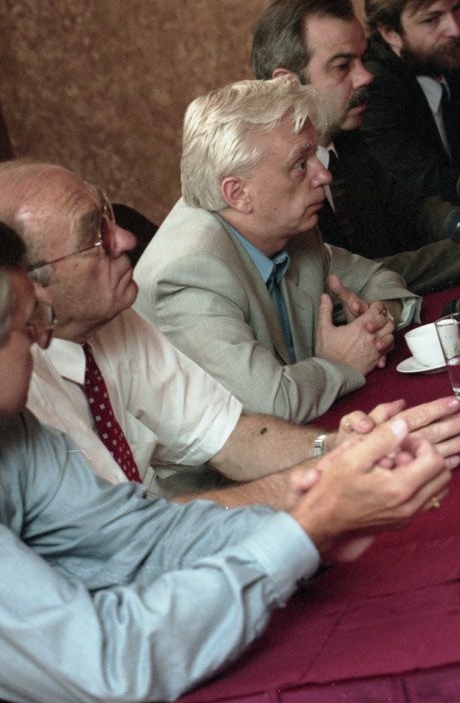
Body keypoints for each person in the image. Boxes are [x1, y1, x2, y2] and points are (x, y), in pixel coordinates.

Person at [0, 221, 453, 702]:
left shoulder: (15, 430)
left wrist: (310, 524)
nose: (42, 341)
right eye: (26, 324)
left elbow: (139, 539)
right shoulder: (192, 266)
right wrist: (307, 528)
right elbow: (108, 667)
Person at [0, 159, 375, 506]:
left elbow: (227, 437)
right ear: (27, 284)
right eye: (95, 238)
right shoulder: (15, 387)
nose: (126, 239)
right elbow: (119, 532)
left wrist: (340, 447)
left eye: (107, 216)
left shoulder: (111, 317)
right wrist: (324, 476)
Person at [134, 76, 419, 424]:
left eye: (314, 155)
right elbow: (269, 405)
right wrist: (339, 362)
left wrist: (378, 318)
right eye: (301, 164)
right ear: (238, 193)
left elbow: (378, 278)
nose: (323, 175)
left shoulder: (285, 226)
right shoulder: (188, 273)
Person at [250, 0, 460, 293]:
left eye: (363, 59)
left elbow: (413, 209)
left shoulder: (348, 141)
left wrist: (455, 221)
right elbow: (343, 279)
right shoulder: (266, 180)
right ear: (287, 84)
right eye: (342, 66)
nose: (366, 77)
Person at [361, 0, 460, 244]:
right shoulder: (372, 89)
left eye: (457, 9)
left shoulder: (447, 57)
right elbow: (431, 187)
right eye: (432, 19)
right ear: (390, 32)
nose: (455, 29)